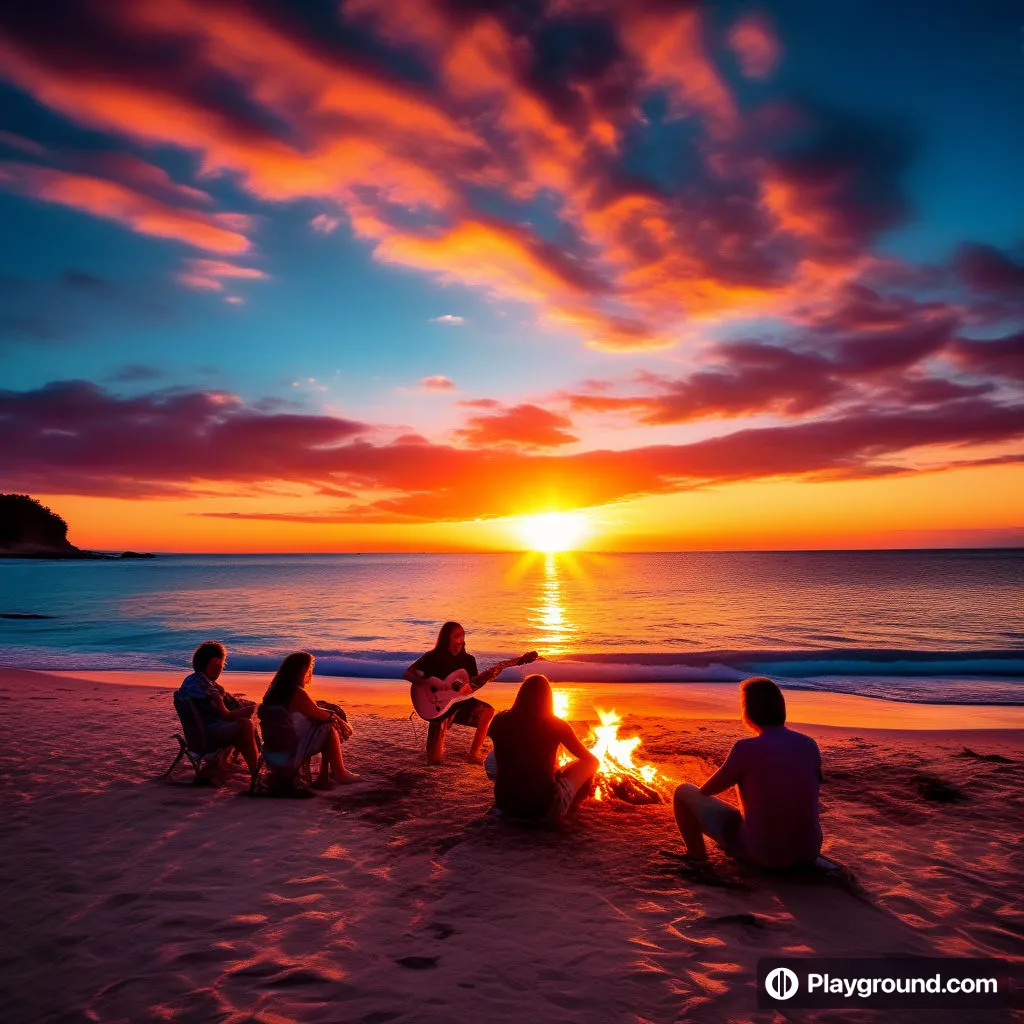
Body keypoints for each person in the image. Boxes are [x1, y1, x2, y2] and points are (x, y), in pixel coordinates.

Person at [673, 676, 822, 870]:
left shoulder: (745, 748)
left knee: (684, 792)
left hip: (763, 856)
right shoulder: (808, 744)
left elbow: (708, 790)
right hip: (809, 853)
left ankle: (696, 856)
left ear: (748, 712)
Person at [487, 673, 599, 823]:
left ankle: (514, 791)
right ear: (548, 699)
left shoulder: (499, 720)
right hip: (543, 808)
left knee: (492, 758)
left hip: (505, 805)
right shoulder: (556, 724)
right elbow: (590, 759)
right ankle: (568, 807)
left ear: (520, 695)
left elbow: (514, 750)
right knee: (591, 763)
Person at [260, 652, 359, 789]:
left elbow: (308, 711)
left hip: (272, 750)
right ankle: (339, 773)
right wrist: (334, 716)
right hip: (291, 751)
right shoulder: (297, 693)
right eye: (310, 669)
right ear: (303, 670)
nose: (310, 673)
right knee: (328, 727)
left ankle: (324, 777)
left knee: (323, 724)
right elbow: (320, 715)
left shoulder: (272, 693)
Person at [404, 621, 495, 765]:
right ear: (446, 638)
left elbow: (472, 688)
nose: (461, 640)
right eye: (457, 636)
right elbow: (408, 673)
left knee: (488, 711)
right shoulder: (432, 657)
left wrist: (485, 679)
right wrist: (425, 683)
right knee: (433, 760)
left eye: (463, 636)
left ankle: (473, 754)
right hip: (439, 706)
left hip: (462, 703)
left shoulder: (469, 660)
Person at [177, 641, 260, 779]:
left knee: (247, 714)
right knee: (245, 725)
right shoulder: (201, 686)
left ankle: (230, 761)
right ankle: (256, 772)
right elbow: (226, 715)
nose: (222, 667)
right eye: (222, 663)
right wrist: (254, 708)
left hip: (203, 730)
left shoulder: (198, 681)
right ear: (215, 662)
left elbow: (225, 702)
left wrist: (247, 706)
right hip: (206, 736)